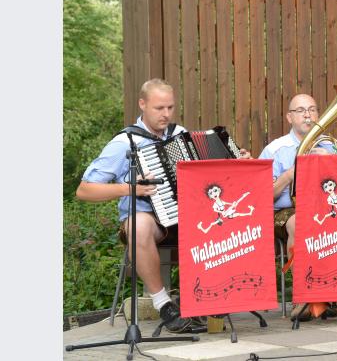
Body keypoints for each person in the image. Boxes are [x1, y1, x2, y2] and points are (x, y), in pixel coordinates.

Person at [76, 79, 250, 333]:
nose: (166, 114)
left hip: (185, 217)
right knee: (138, 225)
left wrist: (235, 158)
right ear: (142, 104)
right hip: (149, 217)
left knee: (225, 216)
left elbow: (210, 178)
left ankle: (208, 298)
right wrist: (130, 188)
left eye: (170, 107)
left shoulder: (180, 135)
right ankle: (164, 304)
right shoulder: (125, 143)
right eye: (159, 108)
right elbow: (84, 190)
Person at [258, 93, 334, 320]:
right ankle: (302, 297)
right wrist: (290, 174)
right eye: (301, 110)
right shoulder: (275, 149)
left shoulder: (329, 146)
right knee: (300, 224)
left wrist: (330, 163)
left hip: (323, 208)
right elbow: (262, 195)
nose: (308, 115)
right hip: (285, 211)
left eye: (312, 109)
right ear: (289, 117)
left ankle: (334, 293)